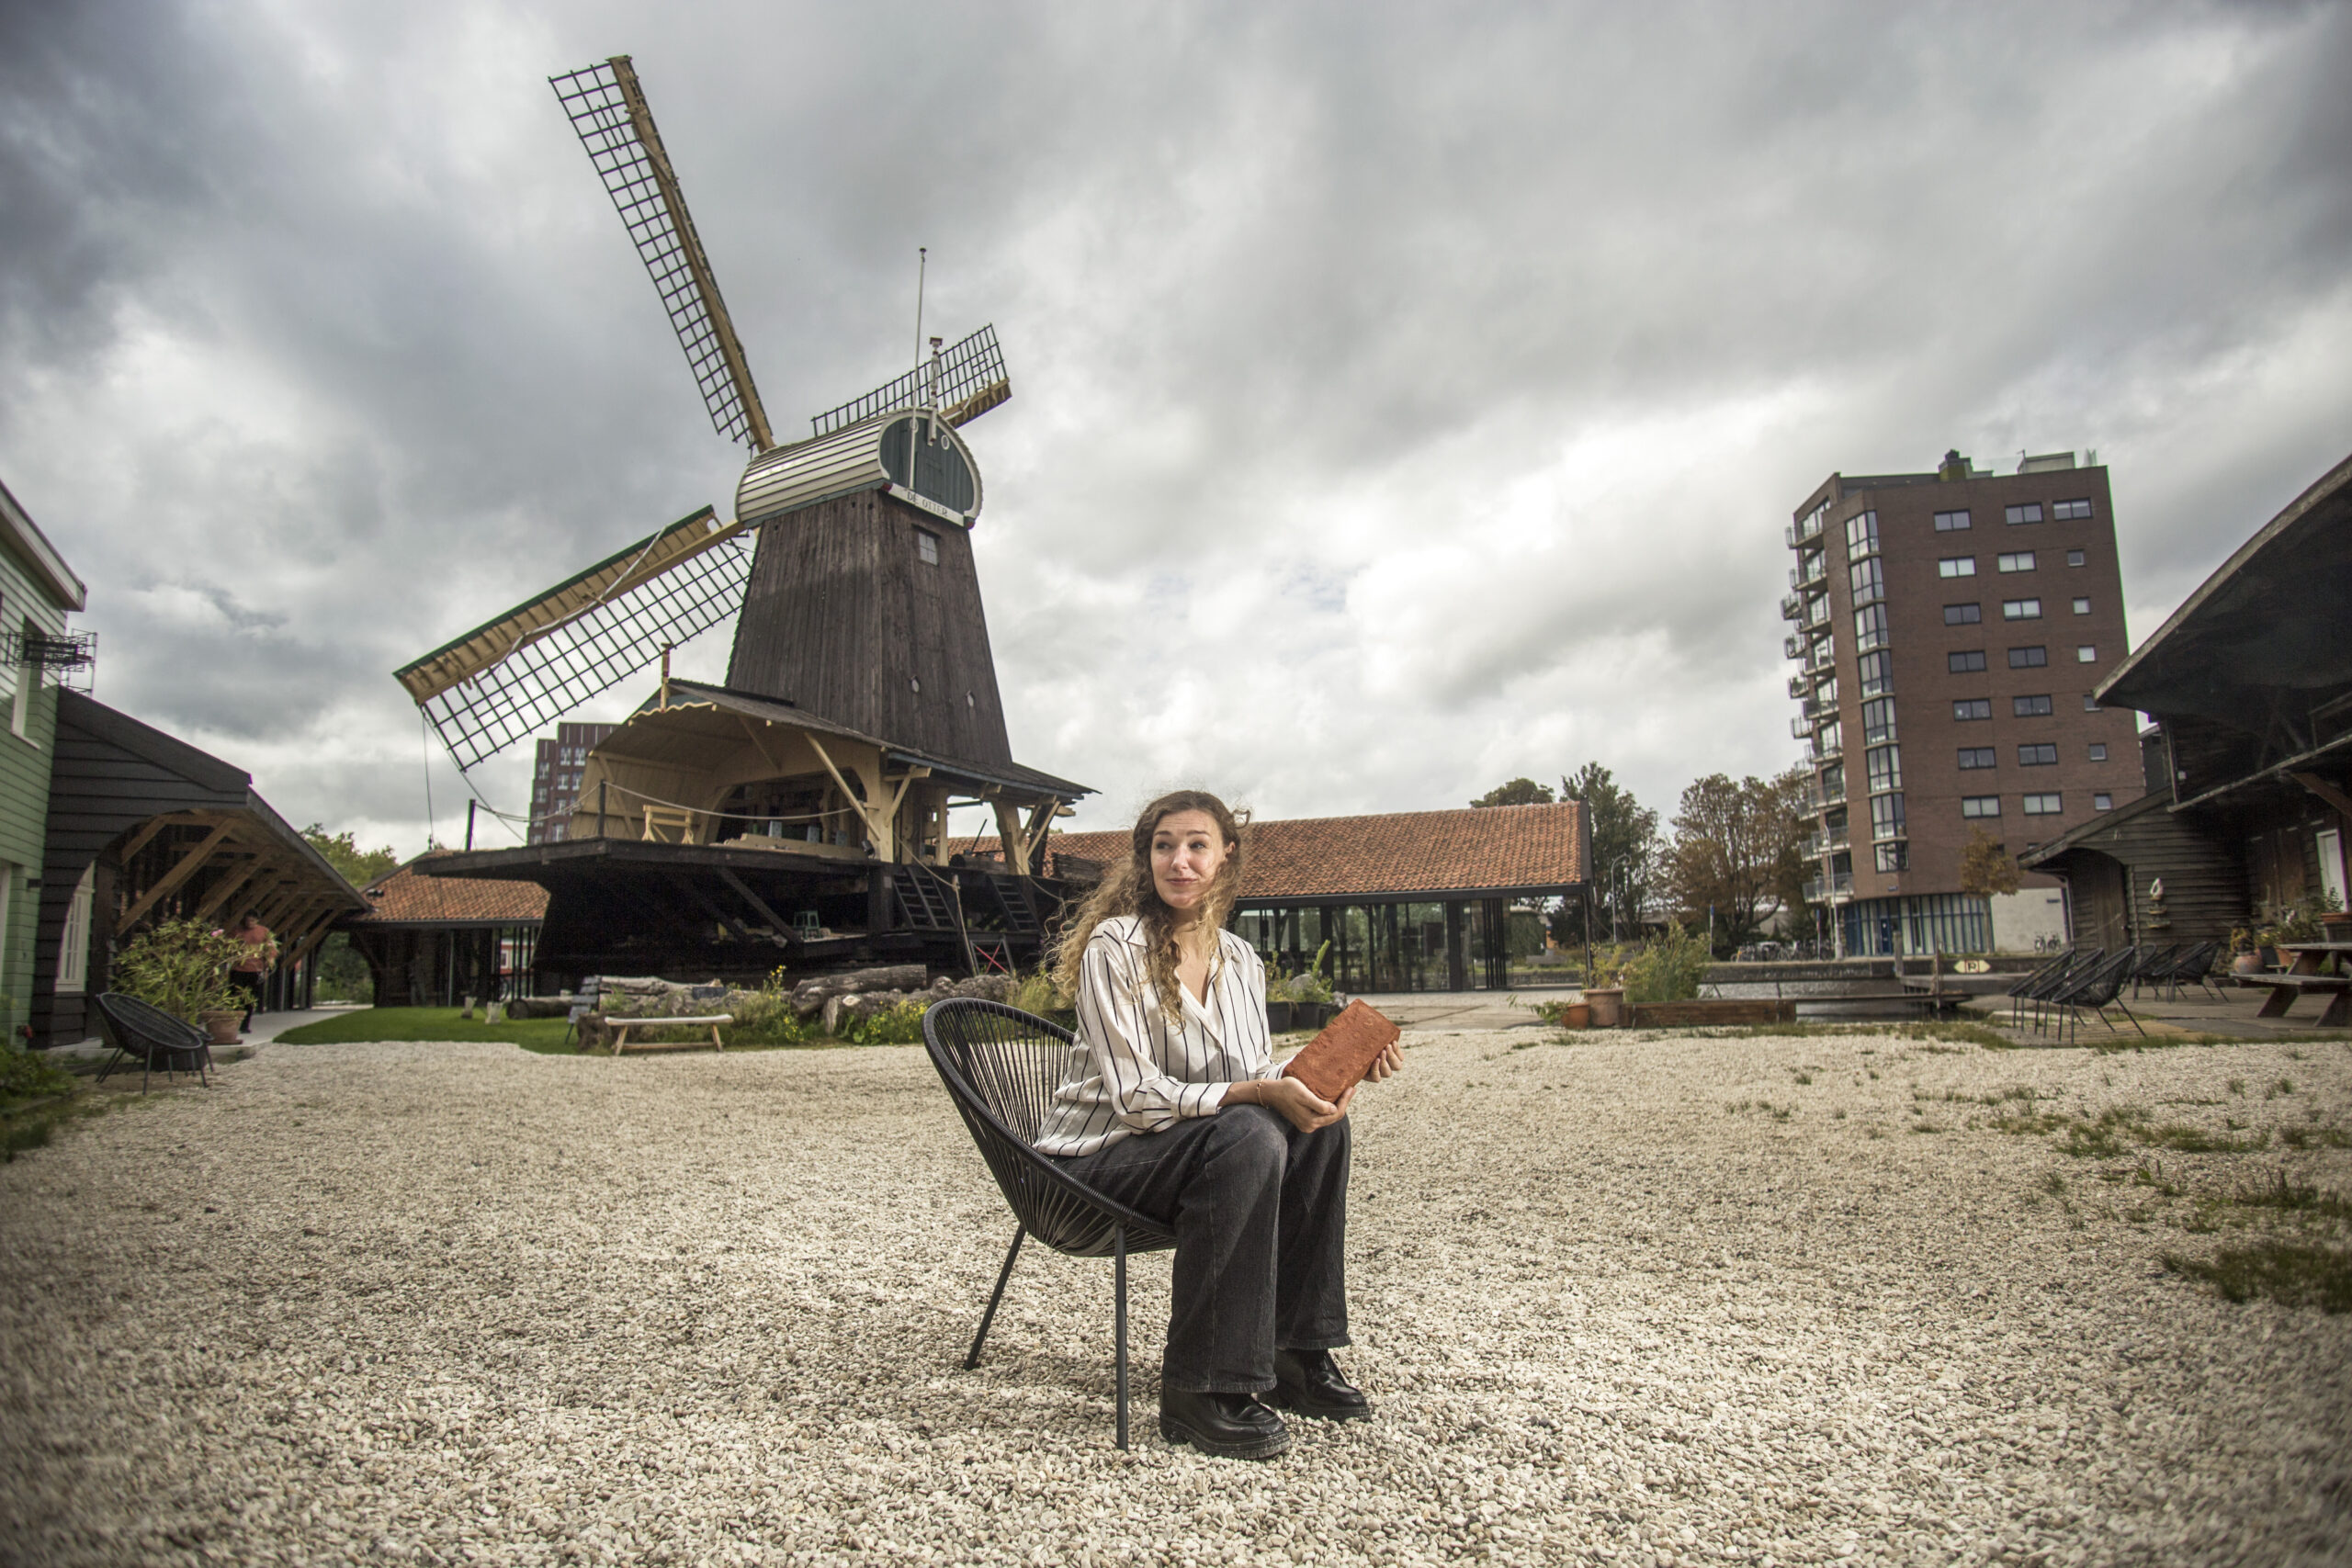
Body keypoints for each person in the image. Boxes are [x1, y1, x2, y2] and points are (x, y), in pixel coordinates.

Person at [1033, 791, 1404, 1460]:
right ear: (1146, 859)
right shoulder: (1115, 946)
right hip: (1088, 1167)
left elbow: (1256, 1070)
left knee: (1318, 1129)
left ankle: (1295, 1353)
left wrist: (1332, 1074)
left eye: (1197, 845)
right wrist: (1260, 1092)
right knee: (1249, 1132)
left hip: (1180, 1156)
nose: (1180, 861)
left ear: (1225, 857)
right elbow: (1136, 1097)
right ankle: (1199, 1388)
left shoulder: (1241, 961)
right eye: (1164, 846)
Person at [226, 911, 275, 1033]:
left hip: (256, 969)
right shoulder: (237, 931)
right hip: (238, 969)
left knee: (251, 998)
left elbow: (271, 948)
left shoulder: (264, 931)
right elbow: (228, 946)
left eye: (252, 921)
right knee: (236, 996)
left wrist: (269, 961)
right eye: (248, 921)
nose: (250, 923)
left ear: (257, 920)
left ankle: (245, 1025)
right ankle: (234, 1023)